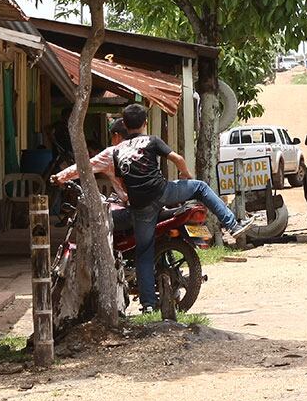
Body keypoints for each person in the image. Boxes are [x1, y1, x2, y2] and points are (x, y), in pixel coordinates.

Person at [52, 102, 250, 313]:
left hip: (140, 206)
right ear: (145, 123)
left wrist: (59, 177)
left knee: (144, 254)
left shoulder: (113, 151)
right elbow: (177, 158)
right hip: (162, 192)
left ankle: (148, 305)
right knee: (200, 187)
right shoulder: (152, 140)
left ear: (124, 126)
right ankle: (232, 224)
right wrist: (185, 175)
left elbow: (84, 166)